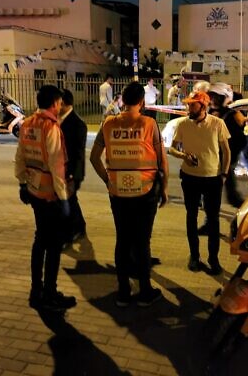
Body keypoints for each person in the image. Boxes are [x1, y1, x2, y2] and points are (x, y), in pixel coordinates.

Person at [90, 81, 169, 307]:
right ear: (142, 102)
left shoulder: (108, 123)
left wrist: (108, 179)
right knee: (142, 242)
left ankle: (123, 292)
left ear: (121, 101)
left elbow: (94, 158)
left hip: (118, 192)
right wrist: (163, 188)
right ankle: (145, 292)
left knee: (122, 241)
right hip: (145, 191)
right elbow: (161, 158)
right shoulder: (148, 123)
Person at [15, 85, 76, 312]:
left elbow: (20, 156)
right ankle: (50, 292)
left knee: (40, 240)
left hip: (33, 190)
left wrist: (22, 183)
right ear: (54, 103)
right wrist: (64, 199)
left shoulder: (28, 123)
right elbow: (56, 165)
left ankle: (36, 289)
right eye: (59, 103)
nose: (60, 107)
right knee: (53, 245)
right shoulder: (51, 128)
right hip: (50, 194)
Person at [169, 91, 231, 275]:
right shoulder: (182, 124)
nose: (189, 107)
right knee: (191, 216)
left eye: (193, 105)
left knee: (213, 220)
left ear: (203, 106)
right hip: (189, 177)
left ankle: (214, 258)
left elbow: (226, 151)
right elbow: (172, 148)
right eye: (188, 104)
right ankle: (194, 256)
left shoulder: (217, 123)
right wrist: (183, 156)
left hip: (213, 179)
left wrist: (224, 175)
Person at [209, 82, 245, 208]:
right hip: (209, 156)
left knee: (225, 181)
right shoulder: (208, 113)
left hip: (222, 155)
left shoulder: (230, 115)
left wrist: (230, 155)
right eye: (211, 96)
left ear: (223, 98)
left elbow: (240, 139)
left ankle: (234, 200)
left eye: (216, 97)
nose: (212, 100)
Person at [59, 89, 88, 244]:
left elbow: (78, 154)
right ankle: (79, 226)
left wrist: (72, 175)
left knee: (68, 202)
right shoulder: (57, 120)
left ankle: (71, 232)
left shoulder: (78, 124)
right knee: (70, 201)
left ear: (63, 103)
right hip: (60, 170)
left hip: (71, 172)